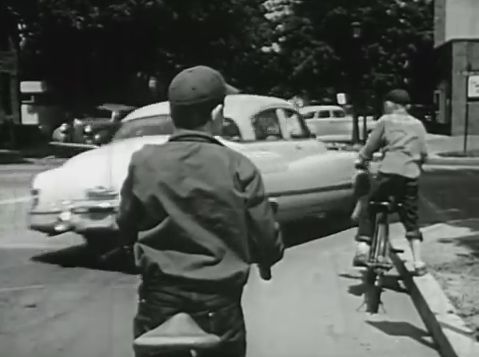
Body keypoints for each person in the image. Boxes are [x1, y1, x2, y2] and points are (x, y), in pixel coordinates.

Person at [116, 65, 284, 357]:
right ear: (218, 114)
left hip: (159, 300)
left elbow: (126, 223)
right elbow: (266, 238)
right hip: (219, 304)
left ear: (173, 113)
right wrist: (267, 255)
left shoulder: (143, 162)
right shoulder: (238, 166)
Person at [352, 89, 428, 276]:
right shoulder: (418, 125)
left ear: (390, 104)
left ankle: (363, 248)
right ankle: (418, 262)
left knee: (370, 206)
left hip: (389, 172)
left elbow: (371, 145)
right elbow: (424, 152)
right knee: (410, 216)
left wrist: (361, 159)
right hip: (410, 175)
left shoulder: (385, 121)